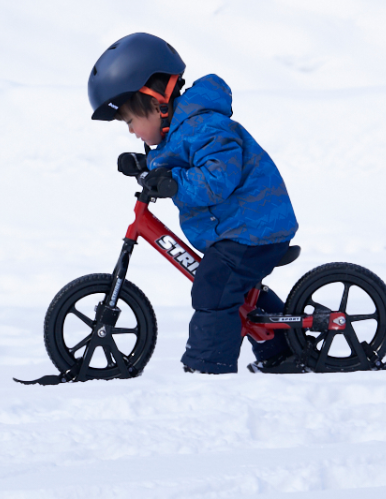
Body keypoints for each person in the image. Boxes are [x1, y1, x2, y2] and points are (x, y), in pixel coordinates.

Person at [88, 32, 301, 374]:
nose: (130, 130)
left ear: (157, 102)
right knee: (237, 289)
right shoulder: (180, 132)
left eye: (130, 120)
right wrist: (148, 166)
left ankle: (207, 369)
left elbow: (217, 177)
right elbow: (177, 159)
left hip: (254, 228)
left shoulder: (204, 125)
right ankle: (286, 351)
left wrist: (173, 182)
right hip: (239, 230)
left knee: (214, 287)